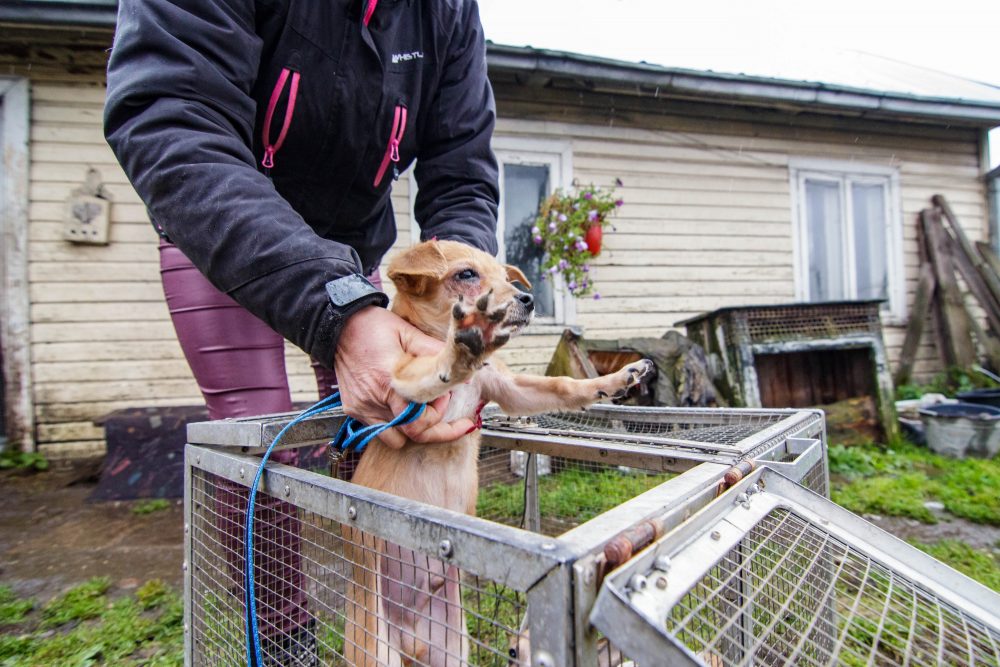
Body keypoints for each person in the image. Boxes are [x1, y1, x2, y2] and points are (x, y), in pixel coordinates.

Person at [104, 0, 501, 663]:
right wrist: (339, 314)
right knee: (258, 442)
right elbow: (173, 113)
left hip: (351, 244)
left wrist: (460, 301)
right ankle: (286, 642)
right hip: (225, 231)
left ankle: (382, 623)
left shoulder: (447, 12)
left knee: (377, 428)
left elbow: (461, 175)